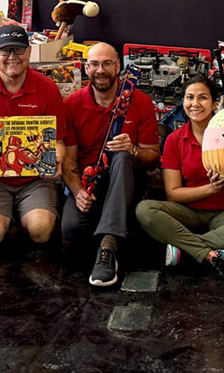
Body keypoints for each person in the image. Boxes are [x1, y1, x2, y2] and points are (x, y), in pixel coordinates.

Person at [136, 74, 224, 276]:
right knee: (145, 209)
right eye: (189, 97)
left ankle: (185, 248)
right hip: (188, 214)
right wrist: (210, 188)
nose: (195, 104)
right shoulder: (174, 140)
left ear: (215, 103)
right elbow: (173, 194)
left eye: (203, 98)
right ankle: (211, 254)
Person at [0, 24, 68, 248]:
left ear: (28, 52)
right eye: (5, 51)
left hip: (35, 179)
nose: (12, 57)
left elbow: (59, 141)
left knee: (41, 231)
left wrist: (57, 159)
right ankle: (0, 210)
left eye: (18, 50)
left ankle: (22, 212)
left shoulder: (47, 89)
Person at [62, 42, 160, 287]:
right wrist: (78, 192)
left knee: (122, 156)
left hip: (127, 180)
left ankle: (108, 245)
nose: (101, 70)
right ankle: (113, 224)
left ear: (118, 66)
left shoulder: (140, 101)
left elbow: (152, 157)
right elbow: (69, 161)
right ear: (87, 68)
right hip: (90, 184)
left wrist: (134, 149)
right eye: (94, 64)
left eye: (107, 63)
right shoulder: (72, 105)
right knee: (71, 230)